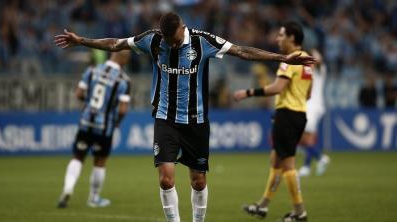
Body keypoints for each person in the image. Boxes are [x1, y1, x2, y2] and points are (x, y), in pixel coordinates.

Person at [55, 12, 315, 222]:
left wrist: (281, 58)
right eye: (168, 40)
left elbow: (242, 51)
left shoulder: (203, 41)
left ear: (183, 28)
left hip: (196, 121)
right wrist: (82, 41)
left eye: (175, 38)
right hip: (165, 119)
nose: (171, 44)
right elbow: (115, 44)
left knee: (198, 181)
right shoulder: (153, 40)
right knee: (166, 178)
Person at [233, 22, 312, 221]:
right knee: (275, 160)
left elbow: (277, 88)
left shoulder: (290, 60)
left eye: (281, 35)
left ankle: (300, 212)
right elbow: (309, 93)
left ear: (292, 38)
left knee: (288, 165)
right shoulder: (306, 61)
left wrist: (248, 92)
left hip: (286, 114)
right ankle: (263, 206)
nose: (277, 39)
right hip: (299, 113)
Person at [57, 50, 131, 208]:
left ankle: (68, 188)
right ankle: (94, 198)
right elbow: (123, 109)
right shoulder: (123, 80)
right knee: (99, 162)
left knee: (78, 157)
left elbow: (78, 94)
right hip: (104, 126)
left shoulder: (92, 70)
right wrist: (117, 122)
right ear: (123, 59)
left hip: (86, 122)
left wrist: (89, 103)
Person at [298, 49, 330, 177]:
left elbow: (319, 62)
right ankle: (308, 165)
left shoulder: (320, 70)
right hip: (310, 106)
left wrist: (315, 56)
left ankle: (320, 158)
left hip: (313, 107)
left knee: (302, 137)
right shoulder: (307, 70)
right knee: (307, 138)